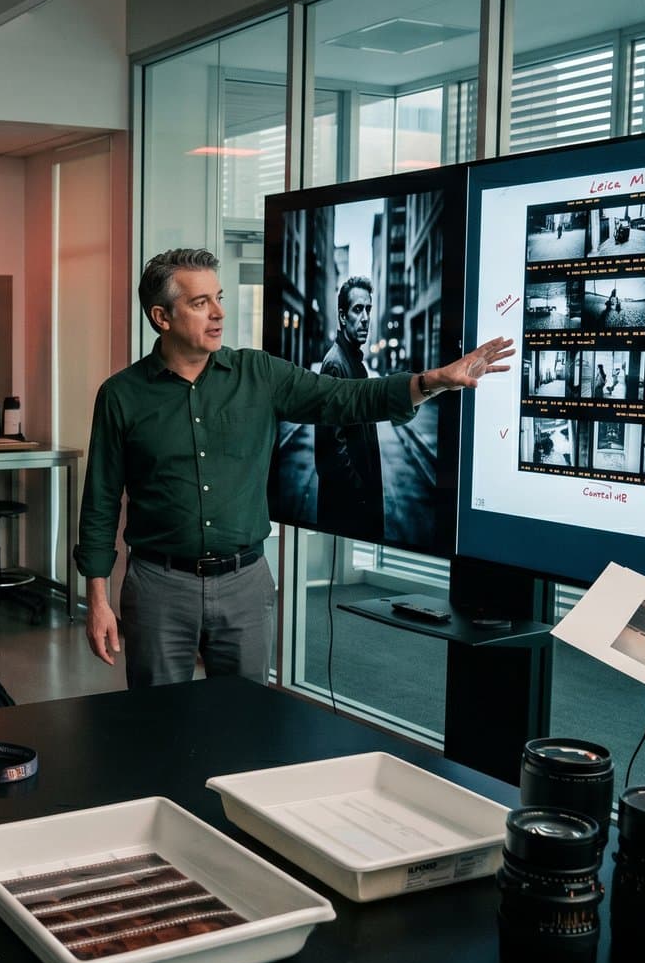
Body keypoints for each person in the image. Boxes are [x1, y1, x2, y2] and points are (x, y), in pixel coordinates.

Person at [78, 248, 513, 687]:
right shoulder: (121, 396)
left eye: (219, 298)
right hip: (159, 588)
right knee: (159, 719)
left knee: (245, 719)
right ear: (162, 317)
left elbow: (345, 397)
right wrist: (97, 599)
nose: (218, 313)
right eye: (200, 302)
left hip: (244, 586)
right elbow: (100, 501)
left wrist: (432, 381)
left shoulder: (258, 374)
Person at [314, 277, 385, 544]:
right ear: (343, 317)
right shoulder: (336, 365)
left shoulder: (355, 363)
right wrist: (362, 496)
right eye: (358, 310)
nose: (365, 318)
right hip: (348, 513)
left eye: (368, 309)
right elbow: (332, 450)